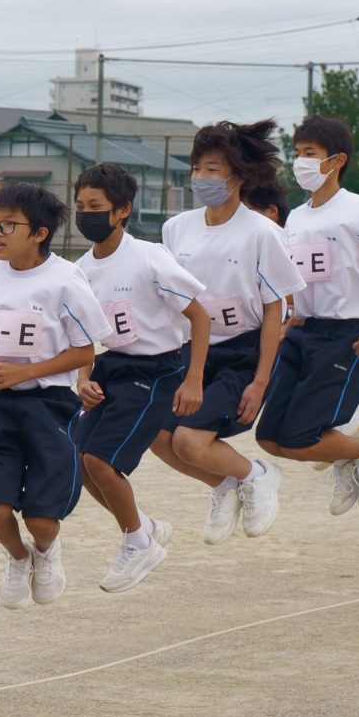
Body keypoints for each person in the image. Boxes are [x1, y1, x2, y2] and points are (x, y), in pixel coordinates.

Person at [0, 182, 104, 608]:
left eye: (8, 224)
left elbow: (85, 349)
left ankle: (47, 551)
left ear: (39, 233)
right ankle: (19, 558)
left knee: (41, 518)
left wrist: (25, 372)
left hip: (49, 404)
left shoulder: (66, 279)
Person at [253, 117, 359, 515]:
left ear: (336, 160)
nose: (300, 162)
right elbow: (301, 276)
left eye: (309, 154)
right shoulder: (296, 217)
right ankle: (352, 456)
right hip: (302, 332)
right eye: (296, 155)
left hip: (345, 335)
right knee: (270, 438)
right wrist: (292, 312)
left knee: (298, 437)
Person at [153, 119, 299, 543]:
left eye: (212, 169)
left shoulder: (263, 232)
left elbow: (275, 310)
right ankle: (223, 487)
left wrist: (260, 380)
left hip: (241, 352)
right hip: (190, 350)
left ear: (239, 176)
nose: (201, 177)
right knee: (157, 436)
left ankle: (258, 474)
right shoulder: (175, 228)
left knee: (190, 442)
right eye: (196, 167)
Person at [70, 163, 209, 593]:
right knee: (80, 461)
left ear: (122, 210)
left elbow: (199, 316)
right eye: (79, 206)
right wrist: (84, 376)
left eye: (95, 206)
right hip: (111, 367)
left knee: (101, 459)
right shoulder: (80, 269)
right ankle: (142, 527)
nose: (85, 214)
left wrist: (194, 379)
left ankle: (137, 541)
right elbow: (82, 332)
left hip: (158, 370)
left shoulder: (149, 257)